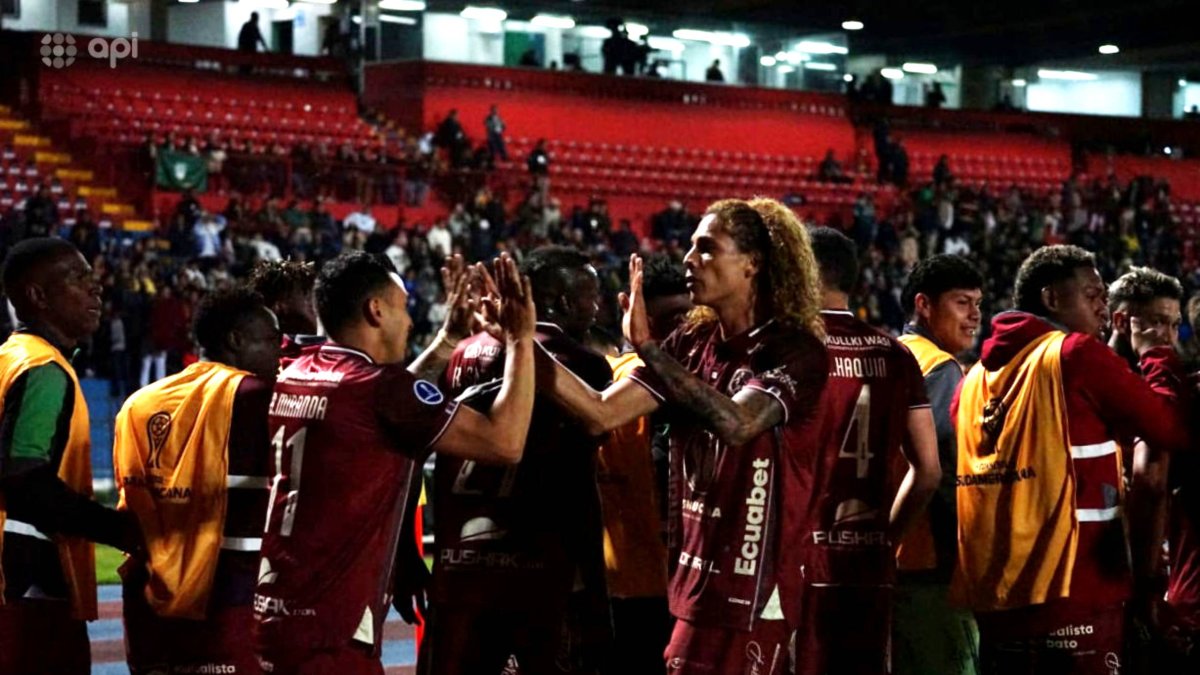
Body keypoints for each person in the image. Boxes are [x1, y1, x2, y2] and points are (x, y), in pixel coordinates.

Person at [538, 198, 831, 674]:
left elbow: (737, 424)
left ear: (752, 263)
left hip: (759, 588)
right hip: (693, 580)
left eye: (707, 249)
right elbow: (600, 412)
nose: (689, 260)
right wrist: (520, 344)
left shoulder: (795, 350)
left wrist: (649, 348)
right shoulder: (691, 343)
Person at [253, 251, 537, 674]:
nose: (409, 321)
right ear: (376, 310)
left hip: (272, 614)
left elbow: (387, 406)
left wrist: (445, 342)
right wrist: (519, 340)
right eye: (404, 308)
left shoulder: (298, 370)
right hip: (331, 630)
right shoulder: (379, 389)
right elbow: (506, 441)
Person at [952, 245, 1190, 675]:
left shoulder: (972, 381)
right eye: (1092, 294)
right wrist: (1156, 356)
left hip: (996, 599)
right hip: (1075, 593)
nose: (1102, 306)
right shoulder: (1076, 355)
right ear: (1052, 299)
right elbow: (1169, 428)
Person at [423, 246, 614, 675]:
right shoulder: (583, 363)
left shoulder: (463, 352)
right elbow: (598, 428)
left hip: (464, 563)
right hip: (541, 570)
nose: (597, 306)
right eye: (591, 295)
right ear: (564, 301)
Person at [114, 288, 281, 674]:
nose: (280, 352)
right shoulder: (256, 397)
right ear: (236, 340)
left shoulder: (137, 404)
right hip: (227, 599)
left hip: (147, 602)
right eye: (272, 340)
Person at [799, 227, 941, 674]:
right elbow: (929, 470)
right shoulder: (896, 354)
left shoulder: (790, 351)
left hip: (799, 563)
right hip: (869, 560)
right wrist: (887, 539)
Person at [0, 238, 143, 674]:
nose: (96, 287)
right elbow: (25, 476)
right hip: (24, 588)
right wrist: (118, 529)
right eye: (78, 277)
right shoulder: (42, 370)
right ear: (37, 296)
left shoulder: (10, 357)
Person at [595, 254, 691, 675]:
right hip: (639, 584)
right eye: (668, 318)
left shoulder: (611, 376)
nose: (679, 330)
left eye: (686, 316)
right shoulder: (641, 380)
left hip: (664, 584)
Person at [894, 254, 985, 675]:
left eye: (979, 305)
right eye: (962, 303)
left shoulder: (892, 353)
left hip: (888, 558)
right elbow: (943, 473)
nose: (974, 317)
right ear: (923, 305)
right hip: (928, 562)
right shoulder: (940, 367)